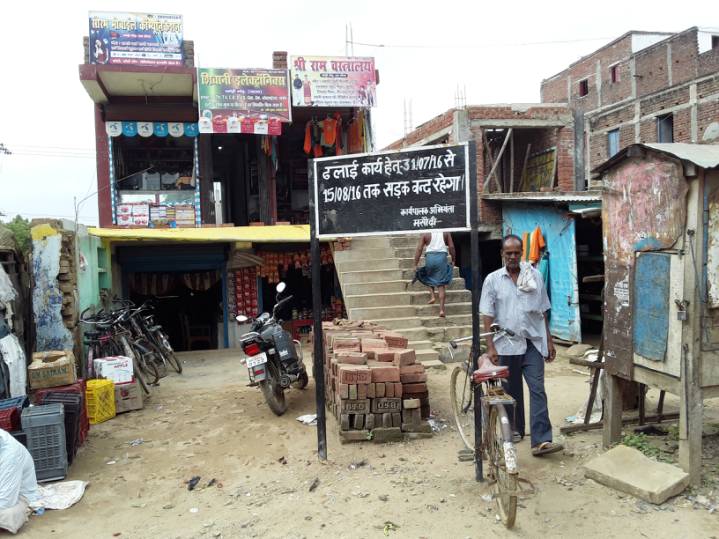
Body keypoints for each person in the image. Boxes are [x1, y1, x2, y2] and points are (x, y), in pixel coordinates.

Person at [479, 234, 563, 457]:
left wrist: (550, 339)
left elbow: (543, 310)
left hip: (533, 342)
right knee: (511, 390)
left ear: (522, 252)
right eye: (509, 253)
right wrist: (490, 347)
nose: (513, 257)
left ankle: (541, 440)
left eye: (517, 253)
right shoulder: (493, 280)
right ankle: (515, 430)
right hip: (505, 344)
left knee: (538, 390)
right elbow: (487, 314)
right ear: (502, 254)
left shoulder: (534, 276)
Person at [413, 232, 455, 318]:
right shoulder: (445, 232)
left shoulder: (425, 233)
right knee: (441, 284)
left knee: (427, 277)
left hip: (430, 257)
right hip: (442, 257)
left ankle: (432, 296)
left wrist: (415, 264)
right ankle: (441, 310)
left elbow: (419, 249)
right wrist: (453, 259)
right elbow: (451, 247)